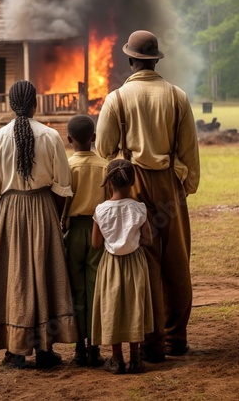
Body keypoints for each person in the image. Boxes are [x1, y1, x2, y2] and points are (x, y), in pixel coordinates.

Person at [95, 30, 200, 363]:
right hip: (170, 183)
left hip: (133, 185)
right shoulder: (177, 97)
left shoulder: (117, 99)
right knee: (177, 262)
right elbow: (189, 152)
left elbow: (103, 148)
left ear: (130, 61)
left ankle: (152, 344)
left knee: (145, 265)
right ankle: (176, 339)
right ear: (155, 60)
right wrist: (185, 186)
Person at [0, 80, 78, 369]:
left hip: (10, 213)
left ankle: (15, 350)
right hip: (43, 209)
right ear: (36, 103)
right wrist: (59, 219)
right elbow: (64, 185)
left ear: (11, 105)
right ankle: (45, 349)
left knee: (15, 279)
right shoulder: (50, 136)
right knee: (47, 275)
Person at [91, 159, 153, 374]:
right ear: (133, 182)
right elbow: (148, 239)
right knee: (134, 305)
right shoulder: (139, 208)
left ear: (109, 183)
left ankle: (117, 360)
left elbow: (96, 244)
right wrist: (133, 239)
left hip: (111, 265)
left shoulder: (100, 210)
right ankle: (135, 358)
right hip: (135, 262)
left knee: (113, 307)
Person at [62, 115, 108, 367]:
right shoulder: (105, 166)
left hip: (74, 230)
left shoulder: (66, 167)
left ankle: (79, 345)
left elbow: (63, 202)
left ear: (69, 140)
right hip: (98, 231)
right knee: (96, 287)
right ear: (94, 138)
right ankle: (95, 347)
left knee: (76, 288)